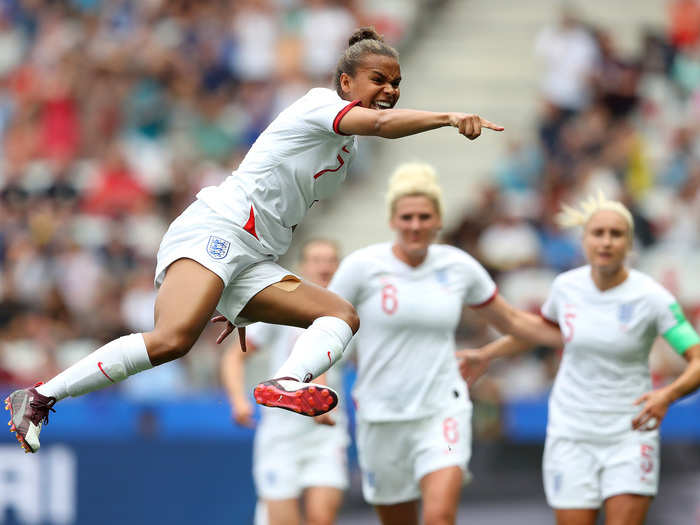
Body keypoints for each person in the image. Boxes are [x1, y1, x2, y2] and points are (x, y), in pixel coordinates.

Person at [5, 26, 504, 454]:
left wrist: (236, 296)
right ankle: (41, 396)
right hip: (218, 229)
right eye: (380, 80)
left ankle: (287, 380)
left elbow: (290, 199)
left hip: (251, 256)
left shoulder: (346, 150)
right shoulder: (319, 106)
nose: (391, 90)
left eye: (396, 83)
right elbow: (378, 123)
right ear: (346, 81)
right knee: (173, 339)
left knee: (341, 316)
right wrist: (445, 117)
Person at [327, 163, 562, 525]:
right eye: (407, 217)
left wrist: (574, 332)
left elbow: (512, 321)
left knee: (439, 515)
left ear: (438, 221)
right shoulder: (362, 266)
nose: (416, 225)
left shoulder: (458, 267)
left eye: (425, 216)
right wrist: (316, 380)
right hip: (381, 414)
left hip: (442, 409)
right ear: (393, 220)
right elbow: (324, 326)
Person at [459, 192, 700, 525]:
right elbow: (543, 331)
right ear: (584, 240)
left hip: (629, 433)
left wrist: (667, 395)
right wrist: (487, 354)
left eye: (616, 234)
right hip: (571, 432)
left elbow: (697, 358)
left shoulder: (652, 297)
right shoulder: (566, 288)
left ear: (629, 244)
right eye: (597, 233)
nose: (606, 241)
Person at [221, 239, 349, 525]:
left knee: (322, 518)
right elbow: (234, 356)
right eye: (317, 260)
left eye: (330, 260)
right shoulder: (284, 309)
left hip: (326, 433)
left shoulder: (348, 315)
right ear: (304, 266)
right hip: (281, 432)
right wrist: (238, 401)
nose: (324, 267)